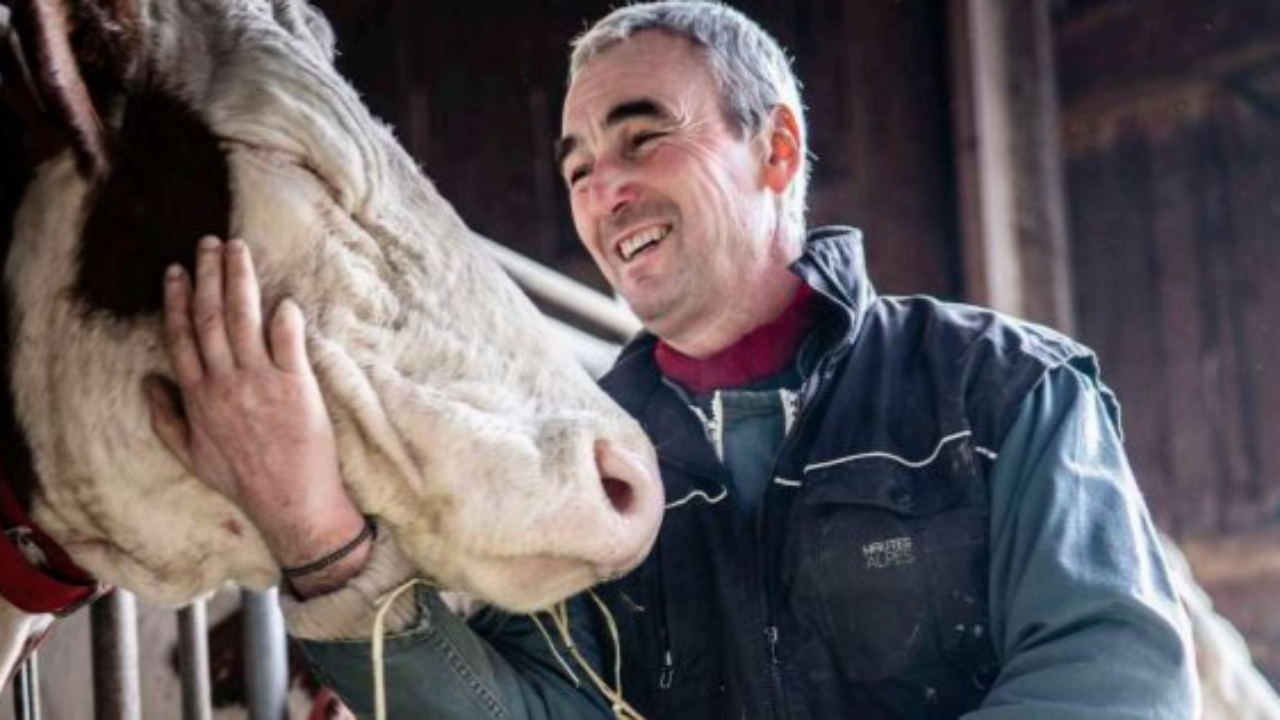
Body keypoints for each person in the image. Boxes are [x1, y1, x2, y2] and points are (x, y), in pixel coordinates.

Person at [146, 2, 1199, 717]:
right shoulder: (578, 459)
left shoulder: (1000, 390)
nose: (604, 191)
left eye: (641, 137)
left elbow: (1111, 680)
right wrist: (313, 532)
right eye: (578, 167)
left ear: (773, 150)